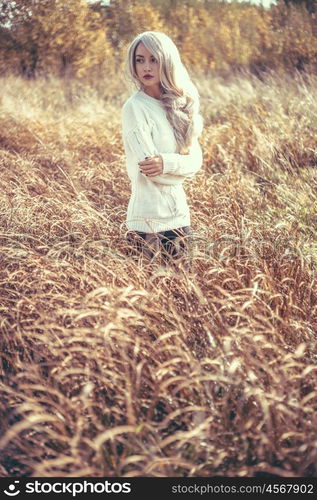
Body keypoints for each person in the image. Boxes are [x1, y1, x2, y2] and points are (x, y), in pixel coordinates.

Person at [121, 31, 203, 266]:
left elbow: (196, 160)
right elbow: (151, 170)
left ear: (167, 61)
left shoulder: (178, 105)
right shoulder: (135, 108)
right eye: (140, 59)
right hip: (147, 223)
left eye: (153, 59)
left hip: (179, 219)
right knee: (148, 299)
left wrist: (166, 163)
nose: (146, 67)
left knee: (184, 296)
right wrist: (176, 167)